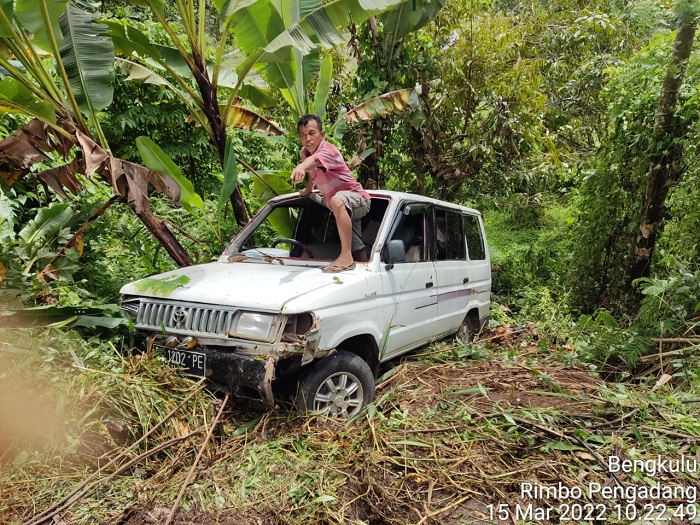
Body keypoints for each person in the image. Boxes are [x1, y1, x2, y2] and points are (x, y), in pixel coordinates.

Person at [291, 114, 371, 272]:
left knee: (337, 201)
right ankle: (369, 274)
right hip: (343, 208)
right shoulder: (305, 153)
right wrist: (308, 190)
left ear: (322, 135)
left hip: (358, 199)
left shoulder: (329, 150)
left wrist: (300, 168)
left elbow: (313, 162)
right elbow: (313, 170)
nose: (307, 139)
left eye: (312, 133)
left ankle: (345, 256)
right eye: (303, 135)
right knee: (358, 248)